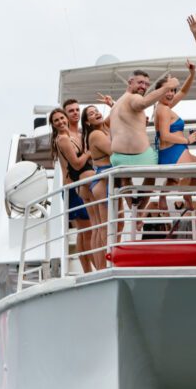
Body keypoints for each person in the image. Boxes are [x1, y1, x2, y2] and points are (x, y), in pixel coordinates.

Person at [109, 70, 179, 214]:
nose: (144, 86)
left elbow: (125, 125)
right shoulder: (132, 98)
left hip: (118, 158)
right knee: (154, 172)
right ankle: (139, 211)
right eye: (140, 82)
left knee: (125, 179)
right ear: (130, 82)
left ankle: (135, 208)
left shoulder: (117, 104)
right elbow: (143, 102)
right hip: (142, 157)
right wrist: (167, 87)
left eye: (146, 84)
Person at [50, 107, 95, 273]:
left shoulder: (72, 136)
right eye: (57, 121)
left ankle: (89, 270)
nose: (61, 122)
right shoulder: (62, 139)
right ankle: (92, 270)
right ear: (53, 125)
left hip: (76, 188)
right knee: (87, 231)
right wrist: (89, 153)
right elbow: (76, 163)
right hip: (72, 190)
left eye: (62, 118)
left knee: (84, 232)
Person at [153, 63, 196, 210]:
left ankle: (165, 195)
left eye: (173, 90)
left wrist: (192, 74)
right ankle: (186, 195)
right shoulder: (164, 109)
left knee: (195, 169)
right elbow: (165, 135)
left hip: (172, 151)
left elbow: (184, 92)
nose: (171, 94)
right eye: (167, 90)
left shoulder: (162, 106)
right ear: (159, 91)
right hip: (174, 149)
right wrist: (187, 140)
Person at [81, 105, 116, 268]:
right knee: (105, 226)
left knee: (116, 224)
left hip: (110, 178)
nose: (96, 114)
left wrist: (111, 105)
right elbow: (113, 150)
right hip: (103, 180)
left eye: (97, 111)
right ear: (87, 122)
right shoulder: (95, 134)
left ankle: (110, 260)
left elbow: (117, 113)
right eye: (91, 114)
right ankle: (106, 265)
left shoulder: (105, 128)